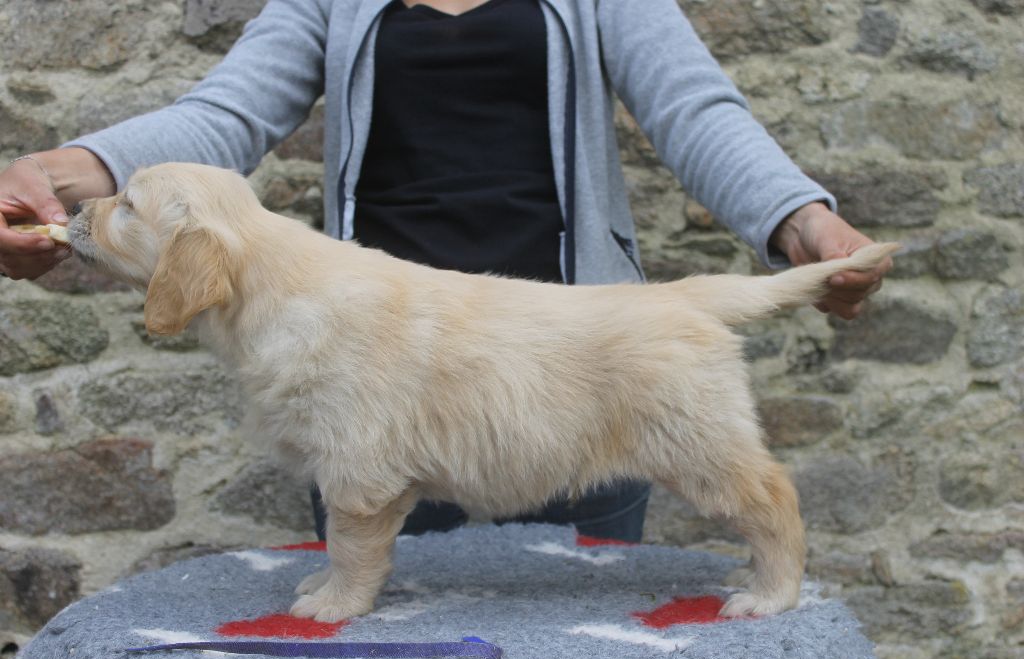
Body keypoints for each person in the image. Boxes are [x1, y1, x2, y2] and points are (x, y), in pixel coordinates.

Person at [0, 0, 889, 543]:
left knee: (580, 630)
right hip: (373, 366)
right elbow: (223, 114)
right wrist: (62, 173)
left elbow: (695, 110)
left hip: (571, 359)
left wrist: (799, 219)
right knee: (373, 615)